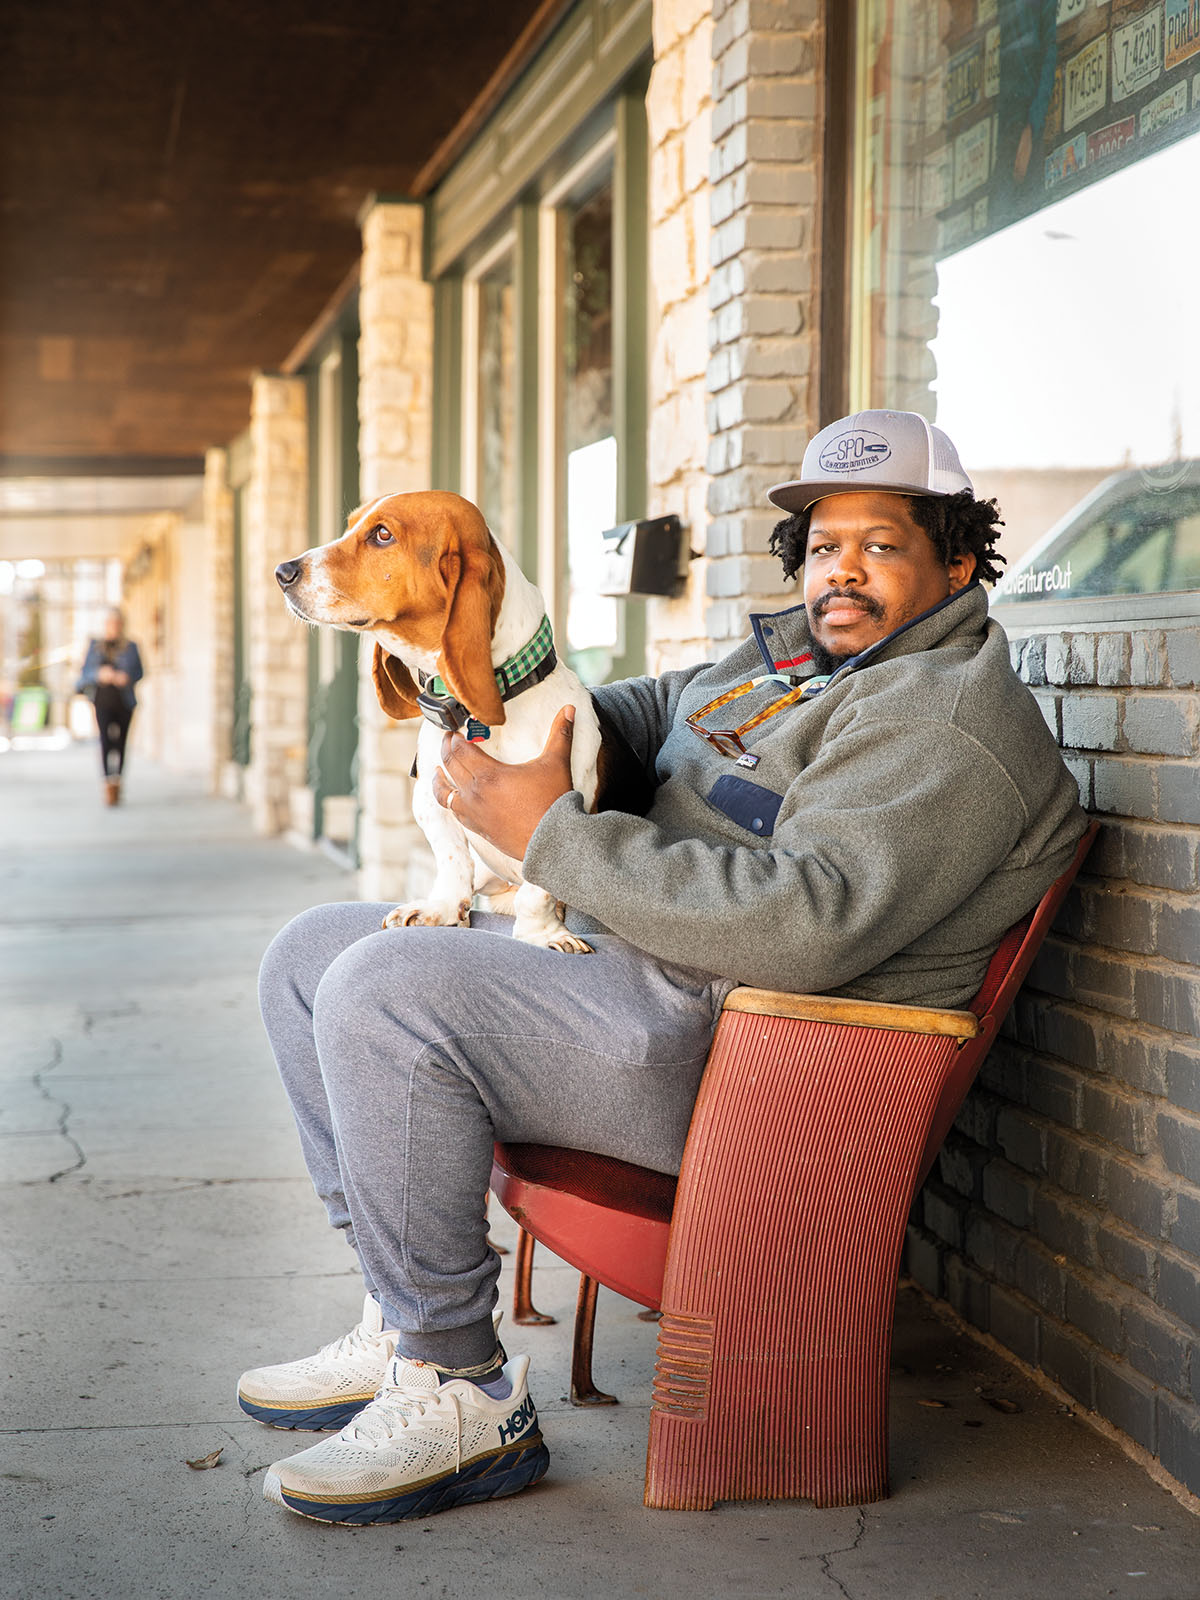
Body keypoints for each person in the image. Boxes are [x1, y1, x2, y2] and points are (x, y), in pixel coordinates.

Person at [242, 410, 1087, 1526]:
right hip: (638, 974)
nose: (843, 568)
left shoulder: (944, 722)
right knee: (311, 955)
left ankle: (459, 1387)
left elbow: (810, 923)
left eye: (882, 544)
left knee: (381, 985)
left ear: (959, 562)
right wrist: (521, 694)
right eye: (826, 542)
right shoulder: (806, 659)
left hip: (738, 1055)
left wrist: (554, 832)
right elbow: (651, 714)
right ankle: (397, 1313)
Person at [77, 608, 144, 805]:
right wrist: (100, 674)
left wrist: (127, 678)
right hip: (103, 701)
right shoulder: (96, 646)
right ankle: (107, 783)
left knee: (121, 742)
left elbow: (140, 672)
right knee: (105, 740)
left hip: (124, 702)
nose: (114, 627)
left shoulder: (131, 647)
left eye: (117, 623)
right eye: (110, 623)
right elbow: (85, 673)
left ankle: (118, 781)